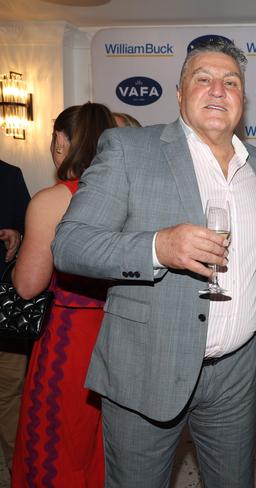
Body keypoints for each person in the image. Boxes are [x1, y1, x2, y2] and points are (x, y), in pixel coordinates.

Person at [52, 39, 256, 488]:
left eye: (230, 82)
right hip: (146, 367)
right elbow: (70, 244)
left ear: (244, 98)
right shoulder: (128, 149)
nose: (218, 90)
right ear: (179, 93)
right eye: (204, 79)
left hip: (237, 371)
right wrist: (157, 247)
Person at [11, 103, 113, 487]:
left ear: (60, 141)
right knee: (108, 444)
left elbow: (28, 285)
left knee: (56, 445)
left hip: (68, 339)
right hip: (119, 332)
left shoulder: (53, 200)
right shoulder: (128, 195)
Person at [0, 160, 30, 470]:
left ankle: (18, 467)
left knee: (10, 394)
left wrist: (17, 236)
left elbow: (29, 231)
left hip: (4, 313)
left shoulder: (10, 174)